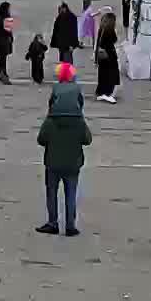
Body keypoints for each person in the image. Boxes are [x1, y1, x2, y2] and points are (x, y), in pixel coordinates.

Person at [36, 67, 93, 236]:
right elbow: (87, 140)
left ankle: (52, 222)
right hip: (73, 162)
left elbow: (41, 139)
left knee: (51, 193)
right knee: (71, 194)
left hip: (52, 162)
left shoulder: (51, 120)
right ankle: (70, 225)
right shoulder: (79, 121)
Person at [94, 10, 121, 103]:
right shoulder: (110, 31)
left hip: (102, 57)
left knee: (102, 74)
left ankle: (101, 91)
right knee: (111, 75)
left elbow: (98, 44)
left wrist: (95, 59)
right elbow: (114, 40)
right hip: (110, 56)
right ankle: (108, 93)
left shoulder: (101, 29)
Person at [0, 2, 15, 84]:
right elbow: (7, 29)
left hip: (2, 39)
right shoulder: (2, 17)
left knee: (3, 57)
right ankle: (3, 73)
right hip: (3, 39)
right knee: (3, 58)